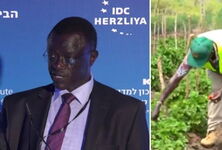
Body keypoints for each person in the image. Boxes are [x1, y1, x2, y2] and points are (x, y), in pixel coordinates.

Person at [0, 17, 149, 150]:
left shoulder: (126, 112)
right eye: (52, 57)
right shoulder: (16, 106)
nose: (58, 65)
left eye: (68, 58)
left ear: (92, 58)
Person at [152, 29, 222, 150]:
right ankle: (213, 131)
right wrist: (159, 103)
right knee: (214, 93)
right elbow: (177, 77)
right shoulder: (196, 50)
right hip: (216, 67)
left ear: (211, 53)